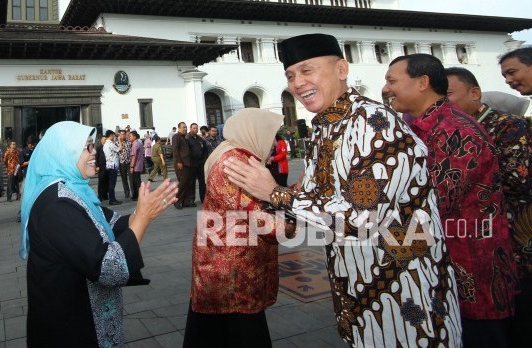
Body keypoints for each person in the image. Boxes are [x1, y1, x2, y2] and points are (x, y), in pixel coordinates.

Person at [223, 33, 461, 347]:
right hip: (357, 292)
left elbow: (361, 220)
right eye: (291, 76)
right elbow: (316, 204)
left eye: (308, 71)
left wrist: (274, 193)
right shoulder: (325, 128)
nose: (297, 83)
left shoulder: (375, 124)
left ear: (342, 70)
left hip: (406, 295)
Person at [383, 54, 518, 347]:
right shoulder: (423, 128)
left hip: (474, 271)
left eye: (392, 81)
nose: (386, 88)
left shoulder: (456, 132)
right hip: (446, 266)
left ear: (422, 83)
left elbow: (431, 203)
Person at [19, 121, 178, 346]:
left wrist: (143, 211)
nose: (95, 153)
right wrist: (144, 217)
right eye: (87, 148)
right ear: (65, 153)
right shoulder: (56, 204)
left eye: (93, 146)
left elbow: (109, 224)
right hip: (72, 325)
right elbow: (108, 267)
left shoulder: (73, 189)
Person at [446, 66, 532, 345]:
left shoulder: (509, 125)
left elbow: (517, 180)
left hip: (513, 236)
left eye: (448, 95)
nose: (444, 104)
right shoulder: (451, 131)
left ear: (475, 92)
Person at [185, 108, 285, 347]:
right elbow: (262, 221)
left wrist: (288, 194)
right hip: (231, 267)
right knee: (238, 331)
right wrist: (297, 215)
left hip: (224, 258)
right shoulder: (236, 163)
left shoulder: (233, 153)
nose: (273, 142)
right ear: (254, 131)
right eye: (270, 134)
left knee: (217, 328)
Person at [172, 121, 195, 208]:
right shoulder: (176, 136)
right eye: (183, 127)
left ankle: (186, 201)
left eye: (186, 127)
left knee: (186, 183)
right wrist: (179, 161)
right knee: (182, 184)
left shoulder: (184, 137)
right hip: (181, 164)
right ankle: (177, 200)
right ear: (179, 128)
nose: (185, 129)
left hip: (187, 163)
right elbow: (175, 150)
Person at [187, 123, 208, 203]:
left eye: (196, 128)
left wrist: (204, 159)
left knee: (202, 182)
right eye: (194, 128)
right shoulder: (187, 138)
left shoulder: (200, 139)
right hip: (192, 163)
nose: (195, 129)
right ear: (191, 128)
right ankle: (192, 199)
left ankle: (203, 198)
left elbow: (205, 150)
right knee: (192, 182)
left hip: (201, 163)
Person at [103, 130, 122, 206]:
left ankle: (112, 199)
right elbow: (120, 149)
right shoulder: (110, 144)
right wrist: (119, 140)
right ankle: (112, 199)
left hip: (109, 165)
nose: (114, 137)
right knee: (112, 184)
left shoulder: (106, 144)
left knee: (111, 183)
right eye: (113, 135)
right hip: (112, 165)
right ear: (111, 135)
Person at [130, 130, 144, 201]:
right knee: (137, 180)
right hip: (139, 164)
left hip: (136, 165)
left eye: (130, 136)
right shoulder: (139, 143)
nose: (129, 137)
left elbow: (134, 156)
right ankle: (137, 195)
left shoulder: (135, 144)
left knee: (136, 181)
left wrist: (132, 166)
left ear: (134, 137)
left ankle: (138, 195)